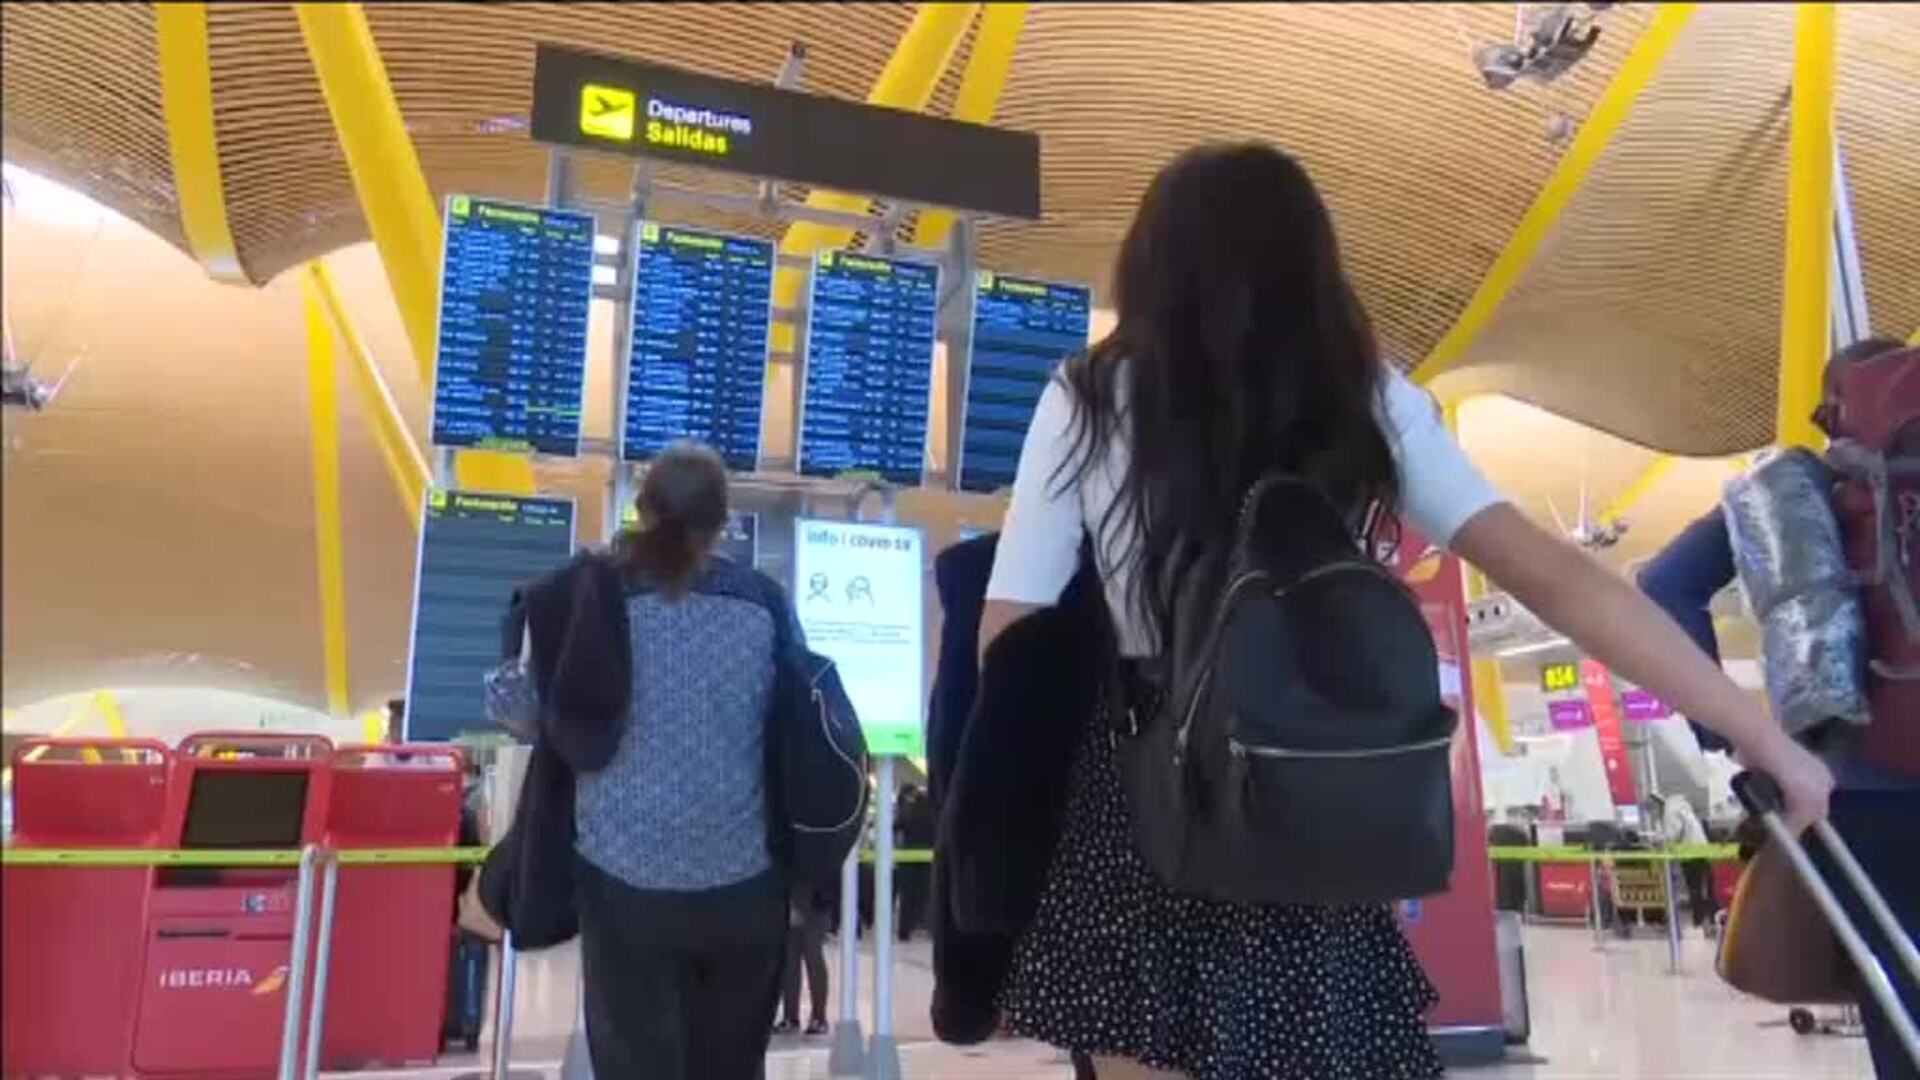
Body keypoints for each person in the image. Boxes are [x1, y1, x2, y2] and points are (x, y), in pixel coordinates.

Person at [975, 143, 1833, 1080]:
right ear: (1312, 261)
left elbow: (1010, 631)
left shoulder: (1091, 395)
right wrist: (1759, 731)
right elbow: (1562, 579)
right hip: (1308, 786)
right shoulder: (1363, 399)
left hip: (1139, 796)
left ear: (1151, 263)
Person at [568, 442, 796, 1079]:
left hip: (623, 880)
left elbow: (538, 712)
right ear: (724, 520)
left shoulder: (599, 593)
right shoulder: (762, 603)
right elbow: (798, 719)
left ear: (643, 509)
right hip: (743, 881)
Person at [1650, 792, 1717, 930]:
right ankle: (1710, 919)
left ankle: (1698, 921)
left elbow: (1672, 834)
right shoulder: (1680, 806)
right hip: (1701, 847)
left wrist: (1657, 840)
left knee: (1694, 887)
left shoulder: (1670, 810)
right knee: (1705, 886)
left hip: (1690, 851)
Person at [776, 880, 832, 1037]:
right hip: (792, 897)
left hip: (816, 901)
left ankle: (819, 1017)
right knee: (789, 962)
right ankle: (790, 1016)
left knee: (813, 956)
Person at [895, 784, 935, 941]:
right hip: (928, 857)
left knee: (907, 895)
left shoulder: (907, 810)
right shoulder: (931, 809)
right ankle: (930, 928)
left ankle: (905, 930)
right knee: (927, 894)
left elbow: (897, 826)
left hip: (908, 857)